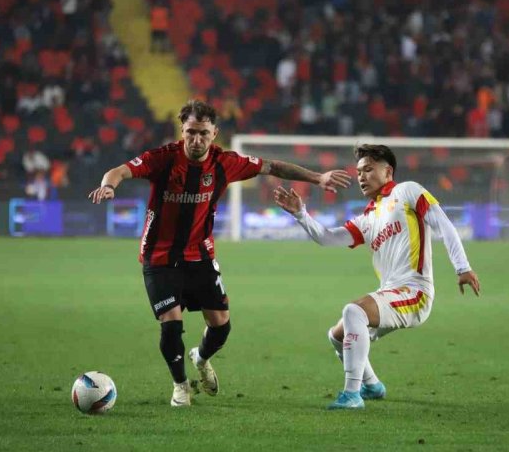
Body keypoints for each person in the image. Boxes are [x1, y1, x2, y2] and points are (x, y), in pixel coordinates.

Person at [89, 99, 351, 406]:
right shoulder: (163, 159)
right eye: (190, 133)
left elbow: (273, 166)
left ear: (215, 133)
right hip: (159, 256)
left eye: (203, 133)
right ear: (182, 131)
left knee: (221, 325)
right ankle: (180, 386)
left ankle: (200, 357)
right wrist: (109, 185)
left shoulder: (225, 163)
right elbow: (119, 171)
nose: (196, 140)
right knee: (171, 323)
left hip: (200, 255)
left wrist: (318, 178)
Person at [273, 144, 481, 410]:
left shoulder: (407, 191)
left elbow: (444, 224)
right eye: (359, 171)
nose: (361, 176)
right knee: (337, 335)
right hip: (391, 294)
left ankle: (352, 395)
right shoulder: (369, 217)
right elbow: (328, 238)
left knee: (353, 311)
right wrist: (301, 215)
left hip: (414, 292)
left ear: (388, 171)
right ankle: (371, 385)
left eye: (368, 169)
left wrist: (462, 267)